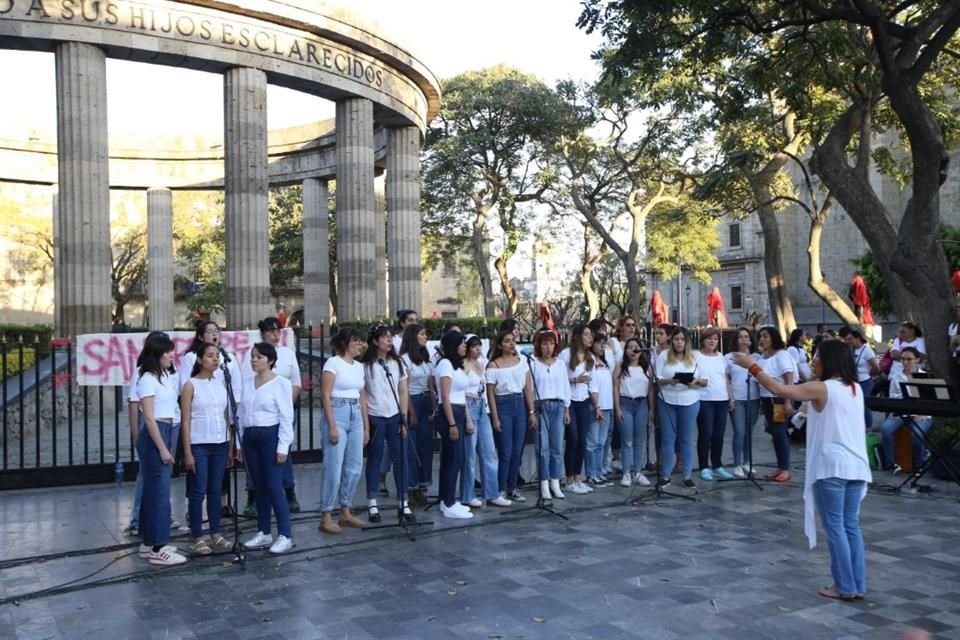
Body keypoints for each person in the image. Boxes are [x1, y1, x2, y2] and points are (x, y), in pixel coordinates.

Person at [732, 340, 871, 601]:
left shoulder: (822, 387)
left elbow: (777, 387)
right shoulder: (855, 388)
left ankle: (844, 586)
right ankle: (857, 584)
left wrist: (751, 366)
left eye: (816, 356)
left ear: (830, 360)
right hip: (856, 466)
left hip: (832, 467)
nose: (813, 361)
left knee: (836, 528)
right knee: (851, 526)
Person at [135, 334, 186, 566]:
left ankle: (149, 541)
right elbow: (149, 418)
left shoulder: (164, 376)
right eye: (166, 352)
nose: (170, 355)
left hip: (166, 428)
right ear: (156, 355)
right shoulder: (147, 379)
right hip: (156, 434)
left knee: (155, 489)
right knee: (159, 492)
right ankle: (158, 545)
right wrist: (163, 448)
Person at [238, 342, 294, 554]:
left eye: (259, 357)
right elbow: (242, 413)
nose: (254, 360)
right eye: (253, 356)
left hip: (270, 435)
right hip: (251, 436)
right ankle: (263, 531)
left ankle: (285, 534)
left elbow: (286, 416)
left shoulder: (281, 383)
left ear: (270, 360)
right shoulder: (247, 383)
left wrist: (283, 447)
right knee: (258, 485)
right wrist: (239, 441)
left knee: (273, 485)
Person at [243, 317, 302, 515]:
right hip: (260, 415)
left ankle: (289, 490)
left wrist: (285, 404)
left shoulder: (287, 354)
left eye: (279, 330)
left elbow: (296, 382)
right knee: (255, 457)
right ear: (263, 333)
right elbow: (247, 384)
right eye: (272, 331)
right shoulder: (252, 356)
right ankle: (253, 494)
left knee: (283, 451)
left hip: (281, 411)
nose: (276, 334)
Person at [180, 342, 233, 555]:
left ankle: (215, 532)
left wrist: (230, 446)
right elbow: (185, 421)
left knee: (215, 490)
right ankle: (197, 535)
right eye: (210, 355)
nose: (215, 359)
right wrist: (187, 452)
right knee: (198, 490)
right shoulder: (190, 385)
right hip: (199, 443)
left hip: (220, 442)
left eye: (217, 355)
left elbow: (226, 415)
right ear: (200, 359)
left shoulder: (222, 383)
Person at [361, 323, 415, 524]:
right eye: (384, 337)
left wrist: (404, 417)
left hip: (394, 416)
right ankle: (372, 502)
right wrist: (366, 422)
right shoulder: (366, 366)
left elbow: (402, 391)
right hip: (376, 416)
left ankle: (404, 502)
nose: (389, 340)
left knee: (400, 458)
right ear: (375, 341)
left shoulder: (397, 363)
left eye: (391, 337)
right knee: (374, 459)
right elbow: (364, 395)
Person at [318, 328, 369, 534]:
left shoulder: (359, 366)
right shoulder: (333, 363)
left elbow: (362, 396)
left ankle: (345, 509)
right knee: (334, 466)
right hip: (337, 410)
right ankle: (326, 514)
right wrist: (331, 425)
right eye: (356, 341)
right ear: (345, 343)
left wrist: (366, 425)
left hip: (355, 412)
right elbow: (325, 394)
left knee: (355, 466)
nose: (359, 345)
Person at [486, 328, 537, 501]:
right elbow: (490, 393)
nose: (511, 343)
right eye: (507, 341)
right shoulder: (494, 366)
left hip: (519, 405)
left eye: (513, 340)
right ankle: (500, 488)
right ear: (500, 345)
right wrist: (495, 417)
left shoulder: (521, 361)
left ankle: (512, 486)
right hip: (503, 404)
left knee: (517, 450)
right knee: (506, 450)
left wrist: (531, 411)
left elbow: (527, 388)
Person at [655, 326, 706, 489]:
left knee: (686, 439)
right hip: (667, 400)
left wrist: (694, 382)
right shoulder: (663, 356)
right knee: (668, 439)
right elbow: (656, 378)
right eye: (676, 339)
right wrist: (670, 381)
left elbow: (705, 380)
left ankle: (687, 474)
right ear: (672, 341)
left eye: (682, 339)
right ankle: (666, 475)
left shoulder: (695, 356)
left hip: (689, 400)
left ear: (687, 341)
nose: (679, 342)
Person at [462, 334, 509, 507]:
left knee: (489, 452)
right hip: (469, 405)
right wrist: (467, 417)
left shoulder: (481, 363)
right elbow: (460, 392)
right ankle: (467, 494)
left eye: (479, 346)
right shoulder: (463, 365)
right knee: (469, 455)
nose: (477, 349)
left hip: (482, 407)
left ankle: (492, 493)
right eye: (473, 346)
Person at [435, 330, 474, 519]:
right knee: (453, 459)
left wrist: (466, 418)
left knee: (454, 458)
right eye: (461, 343)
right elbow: (445, 396)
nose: (464, 346)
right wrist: (452, 424)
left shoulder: (457, 365)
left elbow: (462, 395)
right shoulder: (445, 364)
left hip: (459, 410)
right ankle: (448, 502)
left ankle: (448, 498)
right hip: (449, 413)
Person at [558, 323, 600, 495]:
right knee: (573, 438)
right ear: (577, 336)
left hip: (584, 401)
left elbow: (593, 384)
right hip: (570, 402)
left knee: (582, 440)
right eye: (587, 335)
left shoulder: (590, 357)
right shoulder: (566, 355)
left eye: (591, 335)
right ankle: (568, 478)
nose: (590, 338)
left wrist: (597, 406)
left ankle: (577, 476)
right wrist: (575, 381)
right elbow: (559, 380)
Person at [529, 329, 570, 499]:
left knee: (556, 448)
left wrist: (567, 408)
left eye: (551, 344)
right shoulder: (533, 363)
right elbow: (529, 389)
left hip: (558, 406)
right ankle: (544, 482)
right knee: (542, 448)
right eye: (544, 343)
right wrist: (531, 412)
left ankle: (555, 481)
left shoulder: (560, 364)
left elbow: (565, 386)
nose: (548, 347)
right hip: (541, 406)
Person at [398, 323, 435, 505]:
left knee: (426, 446)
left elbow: (430, 383)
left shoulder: (425, 358)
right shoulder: (404, 359)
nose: (425, 337)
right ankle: (411, 486)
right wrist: (411, 412)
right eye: (422, 334)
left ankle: (423, 485)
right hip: (413, 401)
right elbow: (405, 387)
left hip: (426, 400)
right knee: (411, 448)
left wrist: (434, 405)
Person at [880, 346, 933, 473]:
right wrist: (893, 410)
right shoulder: (896, 377)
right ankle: (891, 463)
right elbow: (893, 397)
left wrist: (922, 413)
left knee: (916, 434)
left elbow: (930, 401)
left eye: (909, 359)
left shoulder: (925, 377)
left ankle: (919, 464)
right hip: (901, 413)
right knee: (886, 429)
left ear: (917, 360)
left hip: (921, 414)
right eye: (902, 359)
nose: (905, 362)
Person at [756, 326, 795, 482]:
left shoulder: (782, 355)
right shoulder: (763, 357)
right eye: (761, 337)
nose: (762, 340)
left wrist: (788, 400)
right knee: (773, 433)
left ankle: (785, 467)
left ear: (773, 338)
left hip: (778, 400)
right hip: (767, 400)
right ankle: (780, 465)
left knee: (780, 433)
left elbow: (788, 377)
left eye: (765, 336)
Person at [613, 336, 653, 487]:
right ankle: (626, 472)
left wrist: (651, 409)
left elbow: (650, 389)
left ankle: (637, 471)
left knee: (639, 441)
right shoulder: (621, 366)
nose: (633, 350)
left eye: (636, 347)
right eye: (630, 347)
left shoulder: (646, 368)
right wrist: (617, 408)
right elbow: (615, 388)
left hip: (641, 404)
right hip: (625, 403)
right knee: (627, 440)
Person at [696, 326, 733, 480]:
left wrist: (731, 397)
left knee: (719, 434)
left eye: (715, 339)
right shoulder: (696, 356)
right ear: (703, 340)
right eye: (709, 338)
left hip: (722, 399)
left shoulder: (721, 357)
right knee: (706, 433)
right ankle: (704, 466)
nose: (712, 341)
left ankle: (717, 464)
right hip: (705, 399)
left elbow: (726, 379)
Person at [726, 327, 761, 478]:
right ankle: (737, 463)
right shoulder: (729, 357)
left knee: (749, 432)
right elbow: (726, 379)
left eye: (746, 337)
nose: (744, 339)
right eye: (741, 337)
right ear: (736, 340)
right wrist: (731, 398)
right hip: (738, 399)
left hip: (753, 398)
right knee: (739, 432)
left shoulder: (757, 357)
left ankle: (748, 462)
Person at [585, 332, 613, 486]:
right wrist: (597, 406)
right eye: (599, 343)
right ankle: (591, 473)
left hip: (607, 406)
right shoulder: (590, 362)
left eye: (604, 343)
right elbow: (592, 386)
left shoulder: (605, 362)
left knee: (601, 442)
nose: (602, 346)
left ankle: (599, 470)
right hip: (597, 407)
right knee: (593, 441)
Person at [842, 327, 879, 429]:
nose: (848, 341)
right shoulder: (850, 350)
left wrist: (869, 374)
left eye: (850, 339)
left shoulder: (867, 351)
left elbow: (876, 367)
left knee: (865, 405)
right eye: (846, 339)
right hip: (853, 381)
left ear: (858, 338)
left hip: (865, 382)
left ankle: (868, 428)